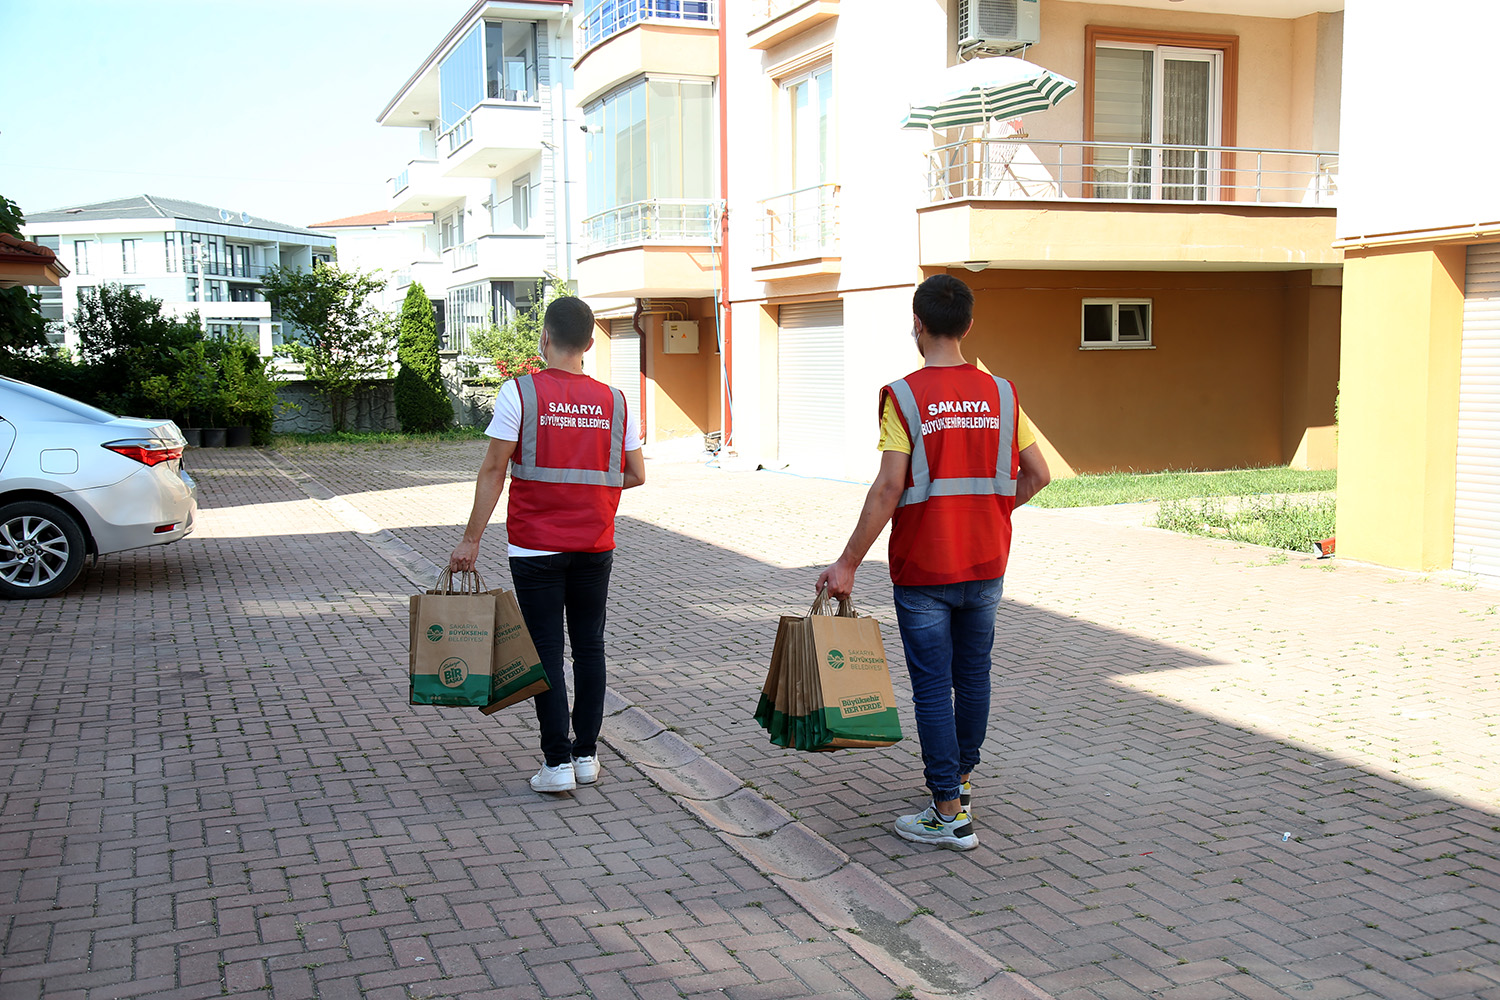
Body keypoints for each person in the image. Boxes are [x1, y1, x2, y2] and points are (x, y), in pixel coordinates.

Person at [816, 274, 1050, 850]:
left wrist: (847, 561)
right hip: (986, 564)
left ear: (917, 325)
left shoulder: (904, 396)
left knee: (931, 688)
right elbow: (1040, 474)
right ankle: (960, 783)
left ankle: (947, 812)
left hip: (924, 570)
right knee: (973, 678)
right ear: (969, 325)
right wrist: (996, 511)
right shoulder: (1003, 394)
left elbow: (887, 487)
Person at [449, 296, 645, 794]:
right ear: (591, 342)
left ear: (544, 337)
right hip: (596, 545)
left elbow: (495, 469)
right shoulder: (618, 401)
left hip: (535, 547)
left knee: (546, 652)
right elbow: (636, 474)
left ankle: (555, 764)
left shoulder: (520, 394)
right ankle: (586, 757)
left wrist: (471, 540)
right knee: (590, 648)